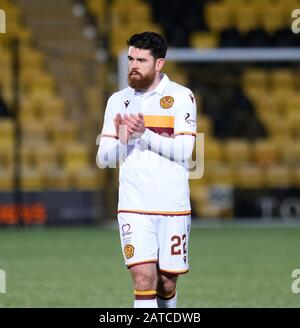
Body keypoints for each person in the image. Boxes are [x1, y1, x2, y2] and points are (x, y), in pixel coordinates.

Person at [97, 31, 197, 308]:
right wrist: (123, 141)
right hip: (133, 205)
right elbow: (104, 157)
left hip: (172, 206)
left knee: (166, 283)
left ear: (159, 63)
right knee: (143, 278)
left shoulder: (180, 97)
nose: (133, 65)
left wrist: (145, 135)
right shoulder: (117, 100)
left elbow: (185, 151)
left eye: (141, 59)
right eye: (130, 59)